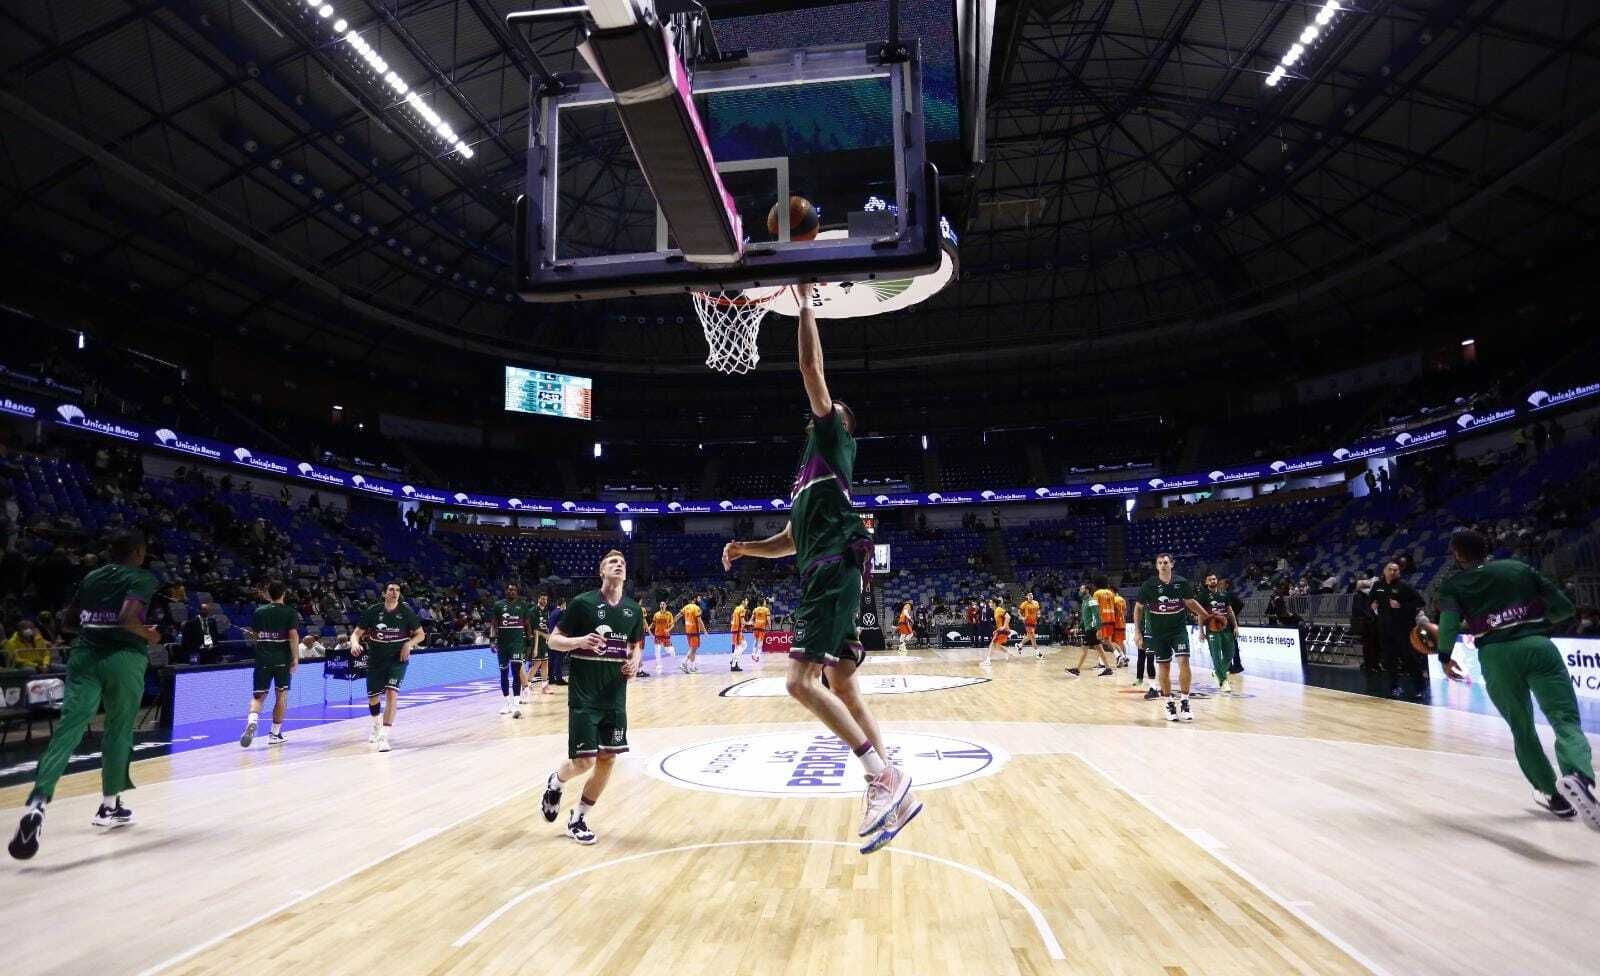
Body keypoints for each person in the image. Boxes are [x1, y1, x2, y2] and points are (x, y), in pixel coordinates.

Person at [720, 296, 920, 855]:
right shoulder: (806, 476)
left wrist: (805, 299)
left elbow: (811, 368)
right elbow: (788, 541)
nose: (823, 410)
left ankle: (881, 777)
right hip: (826, 570)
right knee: (843, 685)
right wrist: (745, 548)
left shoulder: (834, 440)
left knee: (798, 683)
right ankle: (894, 788)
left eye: (833, 409)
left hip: (833, 572)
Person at [1427, 528, 1598, 827]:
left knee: (1522, 728)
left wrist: (1444, 656)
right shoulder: (1519, 568)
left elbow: (1449, 623)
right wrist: (1536, 623)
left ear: (1457, 554)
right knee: (1565, 720)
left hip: (1496, 656)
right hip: (1537, 646)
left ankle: (1552, 795)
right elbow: (1564, 607)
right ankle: (1578, 775)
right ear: (1487, 548)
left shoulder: (1454, 584)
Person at [10, 529, 159, 861]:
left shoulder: (92, 577)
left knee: (68, 730)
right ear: (137, 551)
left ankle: (38, 803)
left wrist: (95, 628)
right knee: (118, 731)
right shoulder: (142, 577)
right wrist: (150, 634)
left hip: (84, 656)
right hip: (124, 659)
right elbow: (127, 618)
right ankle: (108, 807)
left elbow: (68, 621)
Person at [539, 550, 644, 845]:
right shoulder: (583, 604)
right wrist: (580, 641)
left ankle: (579, 817)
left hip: (615, 698)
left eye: (622, 562)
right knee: (584, 762)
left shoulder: (633, 610)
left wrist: (636, 661)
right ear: (602, 571)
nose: (619, 564)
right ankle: (556, 782)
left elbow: (637, 645)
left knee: (607, 760)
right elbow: (554, 641)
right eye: (612, 562)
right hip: (585, 697)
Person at [1133, 554, 1217, 723]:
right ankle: (1169, 702)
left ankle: (1185, 701)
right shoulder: (1149, 585)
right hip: (1159, 633)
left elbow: (1190, 602)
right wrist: (1137, 631)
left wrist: (1206, 616)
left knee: (1184, 661)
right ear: (1156, 566)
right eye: (1160, 563)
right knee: (1164, 667)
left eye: (1166, 562)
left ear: (1171, 564)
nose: (1163, 565)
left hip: (1178, 630)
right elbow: (1138, 608)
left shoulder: (1181, 582)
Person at [349, 582, 425, 752]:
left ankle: (384, 735)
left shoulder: (406, 612)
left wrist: (409, 644)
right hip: (376, 659)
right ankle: (376, 724)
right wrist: (354, 643)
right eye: (391, 589)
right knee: (373, 698)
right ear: (384, 593)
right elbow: (356, 633)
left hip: (397, 659)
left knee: (392, 692)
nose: (395, 592)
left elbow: (421, 634)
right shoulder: (373, 611)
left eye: (397, 590)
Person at [240, 581, 300, 748]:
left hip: (262, 659)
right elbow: (293, 636)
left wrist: (252, 634)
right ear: (283, 593)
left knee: (258, 696)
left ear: (269, 594)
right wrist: (295, 658)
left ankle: (252, 722)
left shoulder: (259, 611)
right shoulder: (290, 612)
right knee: (281, 695)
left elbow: (255, 636)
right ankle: (274, 733)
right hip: (282, 659)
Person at [1368, 561, 1425, 699]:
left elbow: (1420, 602)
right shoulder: (1377, 586)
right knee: (1389, 660)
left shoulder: (1404, 586)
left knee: (1409, 658)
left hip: (1403, 629)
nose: (1393, 572)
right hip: (1385, 629)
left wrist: (1401, 605)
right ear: (1384, 571)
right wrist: (1372, 604)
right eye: (1390, 569)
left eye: (1396, 570)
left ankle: (1420, 687)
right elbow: (1370, 601)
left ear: (1399, 572)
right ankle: (1394, 688)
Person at [488, 582, 532, 717]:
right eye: (509, 589)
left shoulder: (523, 605)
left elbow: (527, 625)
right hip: (502, 644)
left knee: (517, 672)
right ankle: (507, 703)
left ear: (517, 592)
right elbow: (494, 624)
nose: (511, 591)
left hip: (517, 644)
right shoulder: (498, 605)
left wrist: (529, 643)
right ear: (505, 591)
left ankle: (516, 704)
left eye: (513, 589)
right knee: (503, 673)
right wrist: (491, 640)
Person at [1200, 572, 1242, 696]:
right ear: (1206, 582)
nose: (1213, 581)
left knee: (1230, 653)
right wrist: (1201, 631)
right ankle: (1223, 681)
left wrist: (1235, 626)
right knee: (1216, 656)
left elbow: (1230, 611)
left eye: (1214, 579)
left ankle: (1218, 672)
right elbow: (1200, 615)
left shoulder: (1224, 594)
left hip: (1226, 628)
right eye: (1210, 579)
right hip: (1212, 629)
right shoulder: (1203, 596)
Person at [1066, 586, 1114, 678]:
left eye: (1081, 589)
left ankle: (1077, 670)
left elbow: (1097, 615)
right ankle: (1108, 669)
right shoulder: (1084, 602)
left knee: (1084, 649)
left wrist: (1099, 629)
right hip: (1089, 629)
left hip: (1092, 629)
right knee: (1099, 649)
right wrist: (1079, 627)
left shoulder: (1092, 601)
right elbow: (1084, 618)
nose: (1080, 591)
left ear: (1087, 590)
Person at [532, 593, 556, 694]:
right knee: (537, 663)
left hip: (544, 641)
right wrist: (536, 647)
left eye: (546, 599)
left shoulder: (546, 611)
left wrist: (548, 636)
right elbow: (535, 630)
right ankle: (527, 685)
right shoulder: (533, 611)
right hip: (536, 641)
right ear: (538, 599)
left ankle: (544, 687)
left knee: (545, 663)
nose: (545, 601)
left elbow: (545, 627)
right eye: (543, 599)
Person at [676, 595, 704, 674]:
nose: (700, 599)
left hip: (688, 631)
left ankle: (692, 666)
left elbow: (678, 616)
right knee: (693, 649)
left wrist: (673, 623)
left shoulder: (686, 607)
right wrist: (704, 630)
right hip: (694, 631)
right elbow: (699, 621)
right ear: (694, 599)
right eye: (699, 598)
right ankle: (683, 663)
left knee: (693, 650)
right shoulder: (696, 608)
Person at [648, 600, 675, 677]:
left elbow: (672, 625)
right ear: (660, 606)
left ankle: (672, 649)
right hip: (657, 635)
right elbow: (653, 623)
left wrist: (668, 630)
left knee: (667, 650)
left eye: (663, 604)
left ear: (666, 606)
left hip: (666, 635)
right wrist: (649, 627)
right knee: (657, 650)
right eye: (661, 604)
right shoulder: (656, 614)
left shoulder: (669, 614)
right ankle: (659, 665)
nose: (662, 605)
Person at [546, 597, 567, 688]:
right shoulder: (561, 612)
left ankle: (550, 678)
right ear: (563, 604)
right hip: (558, 638)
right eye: (565, 605)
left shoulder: (552, 612)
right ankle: (558, 678)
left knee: (552, 659)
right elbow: (562, 626)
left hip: (550, 638)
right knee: (558, 659)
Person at [984, 598, 1012, 667]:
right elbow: (1000, 622)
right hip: (1001, 630)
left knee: (992, 644)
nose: (989, 604)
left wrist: (1004, 627)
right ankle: (1007, 652)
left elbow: (1008, 617)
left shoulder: (999, 609)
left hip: (1004, 630)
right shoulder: (995, 611)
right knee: (996, 645)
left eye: (990, 602)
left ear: (994, 603)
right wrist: (996, 630)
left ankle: (988, 661)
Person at [1018, 592, 1041, 658]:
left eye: (1032, 595)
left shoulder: (1036, 602)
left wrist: (1039, 614)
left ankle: (1019, 645)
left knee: (1029, 636)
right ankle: (1038, 653)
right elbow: (1019, 611)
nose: (1031, 596)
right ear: (1027, 597)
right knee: (1033, 636)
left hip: (1034, 622)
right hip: (1027, 622)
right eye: (1029, 595)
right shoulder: (1024, 604)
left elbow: (1038, 610)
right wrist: (1022, 617)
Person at [729, 598, 749, 671]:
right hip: (737, 630)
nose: (747, 601)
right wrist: (750, 623)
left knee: (744, 645)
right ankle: (733, 663)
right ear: (742, 601)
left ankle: (733, 660)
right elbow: (742, 621)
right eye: (746, 600)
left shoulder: (736, 608)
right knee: (738, 648)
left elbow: (733, 618)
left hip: (737, 629)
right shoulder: (742, 609)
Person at [750, 598, 771, 664]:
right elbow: (768, 619)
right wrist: (770, 626)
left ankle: (753, 654)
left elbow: (751, 619)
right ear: (763, 603)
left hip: (756, 627)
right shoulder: (766, 610)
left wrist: (750, 624)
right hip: (762, 628)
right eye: (765, 602)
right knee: (760, 643)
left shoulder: (755, 609)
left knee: (755, 641)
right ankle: (757, 656)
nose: (765, 603)